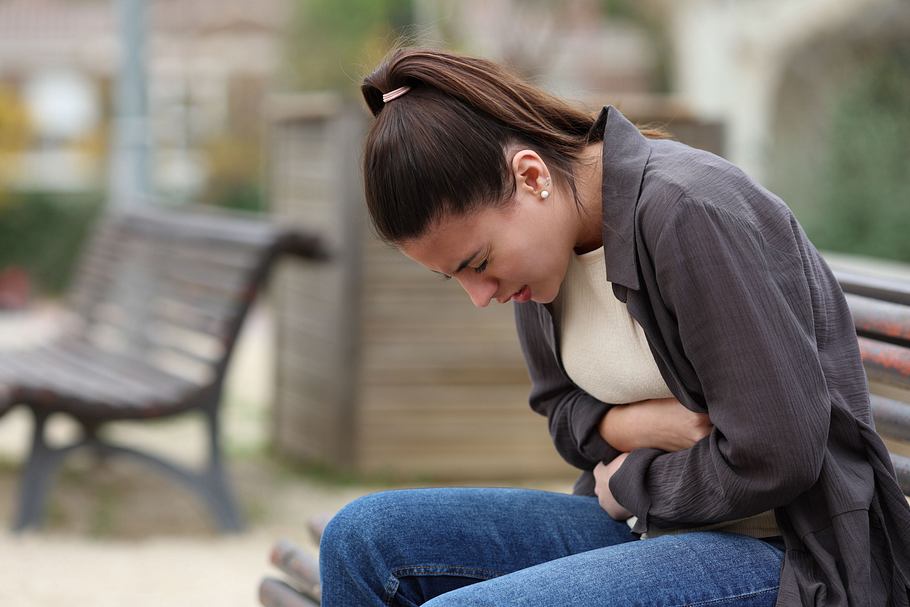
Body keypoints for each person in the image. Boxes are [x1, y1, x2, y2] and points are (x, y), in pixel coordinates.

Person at [318, 47, 910, 606]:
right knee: (359, 540)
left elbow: (776, 456)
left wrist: (632, 479)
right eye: (456, 278)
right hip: (648, 531)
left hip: (787, 556)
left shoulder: (686, 211)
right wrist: (636, 423)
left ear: (529, 176)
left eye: (478, 263)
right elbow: (560, 412)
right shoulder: (544, 257)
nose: (481, 296)